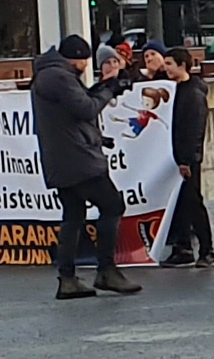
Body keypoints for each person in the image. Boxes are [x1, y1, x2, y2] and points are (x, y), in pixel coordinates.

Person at [30, 32, 143, 301]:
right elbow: (86, 109)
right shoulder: (60, 77)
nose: (85, 68)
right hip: (79, 160)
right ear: (78, 59)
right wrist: (109, 89)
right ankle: (106, 269)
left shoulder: (49, 75)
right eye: (84, 63)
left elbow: (74, 109)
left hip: (61, 159)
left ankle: (67, 278)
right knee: (112, 205)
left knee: (73, 214)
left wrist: (105, 87)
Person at [151, 43, 214, 267]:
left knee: (193, 202)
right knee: (177, 203)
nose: (165, 67)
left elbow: (195, 129)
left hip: (186, 158)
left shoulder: (193, 94)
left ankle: (207, 249)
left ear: (182, 65)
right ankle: (182, 247)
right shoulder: (172, 90)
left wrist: (188, 159)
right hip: (173, 156)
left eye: (169, 64)